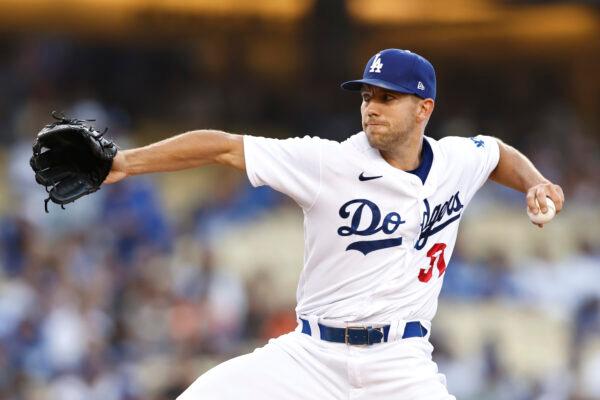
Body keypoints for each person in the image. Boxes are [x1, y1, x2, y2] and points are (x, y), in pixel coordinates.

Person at [104, 49, 564, 399]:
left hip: (400, 365)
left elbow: (497, 153)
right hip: (312, 357)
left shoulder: (455, 160)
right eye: (367, 96)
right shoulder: (330, 162)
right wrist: (127, 161)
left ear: (424, 108)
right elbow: (222, 146)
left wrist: (535, 182)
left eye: (387, 97)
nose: (371, 107)